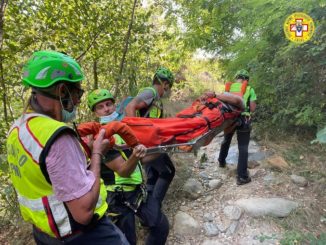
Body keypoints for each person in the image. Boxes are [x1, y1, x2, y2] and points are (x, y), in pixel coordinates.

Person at [6, 51, 129, 244]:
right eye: (78, 93)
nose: (79, 100)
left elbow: (45, 178)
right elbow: (83, 212)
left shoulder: (17, 129)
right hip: (83, 234)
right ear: (62, 91)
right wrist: (97, 153)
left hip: (45, 232)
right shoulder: (57, 136)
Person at [87, 89, 169, 245]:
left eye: (109, 104)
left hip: (136, 191)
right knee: (128, 240)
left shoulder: (119, 129)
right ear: (95, 112)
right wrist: (135, 155)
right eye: (100, 107)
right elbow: (123, 170)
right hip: (118, 197)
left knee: (161, 226)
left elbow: (139, 161)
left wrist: (165, 147)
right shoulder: (101, 138)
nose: (106, 109)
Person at [125, 67, 175, 206]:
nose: (168, 90)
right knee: (168, 171)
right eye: (169, 86)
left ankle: (146, 208)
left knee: (153, 175)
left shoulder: (155, 98)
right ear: (165, 84)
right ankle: (154, 208)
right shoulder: (150, 92)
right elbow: (130, 107)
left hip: (148, 142)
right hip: (146, 143)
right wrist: (134, 139)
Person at [217, 69, 257, 185]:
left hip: (229, 119)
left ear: (237, 78)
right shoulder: (249, 89)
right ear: (246, 79)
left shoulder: (228, 88)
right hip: (243, 119)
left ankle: (221, 161)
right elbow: (252, 108)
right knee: (243, 148)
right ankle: (242, 177)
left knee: (226, 139)